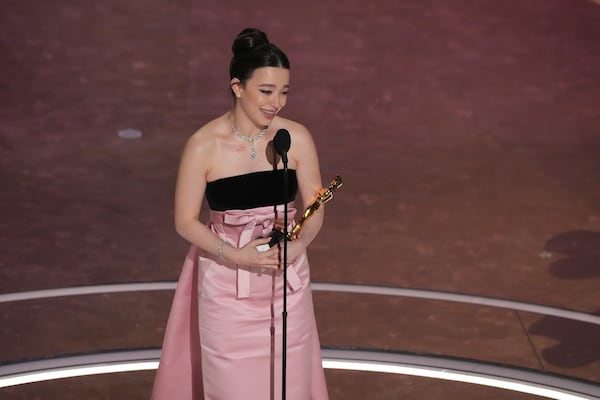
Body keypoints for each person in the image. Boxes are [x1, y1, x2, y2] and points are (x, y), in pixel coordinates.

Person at [151, 28, 330, 400]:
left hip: (286, 282)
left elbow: (315, 206)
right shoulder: (203, 146)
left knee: (288, 385)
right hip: (226, 283)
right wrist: (236, 254)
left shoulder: (294, 138)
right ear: (237, 87)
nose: (276, 102)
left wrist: (297, 248)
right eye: (266, 91)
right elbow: (185, 221)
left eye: (284, 92)